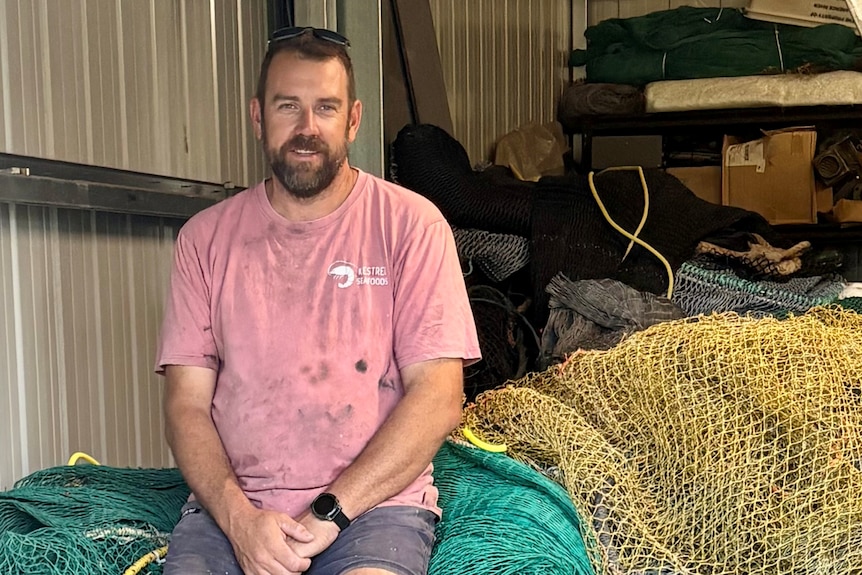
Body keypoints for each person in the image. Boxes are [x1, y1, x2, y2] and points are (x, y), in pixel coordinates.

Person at [155, 26, 481, 575]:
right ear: (258, 117)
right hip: (235, 511)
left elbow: (439, 398)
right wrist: (239, 520)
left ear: (352, 119)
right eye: (289, 107)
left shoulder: (411, 226)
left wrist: (330, 512)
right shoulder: (203, 239)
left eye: (325, 108)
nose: (307, 129)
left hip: (373, 510)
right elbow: (186, 405)